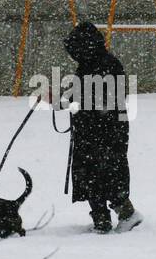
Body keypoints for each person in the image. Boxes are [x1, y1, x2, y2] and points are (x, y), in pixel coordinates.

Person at [60, 21, 142, 234]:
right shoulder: (91, 64)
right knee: (90, 173)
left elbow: (96, 97)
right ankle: (101, 220)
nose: (73, 54)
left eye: (75, 49)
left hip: (106, 131)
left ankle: (127, 214)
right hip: (94, 130)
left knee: (106, 171)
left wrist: (64, 99)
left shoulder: (105, 64)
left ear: (85, 46)